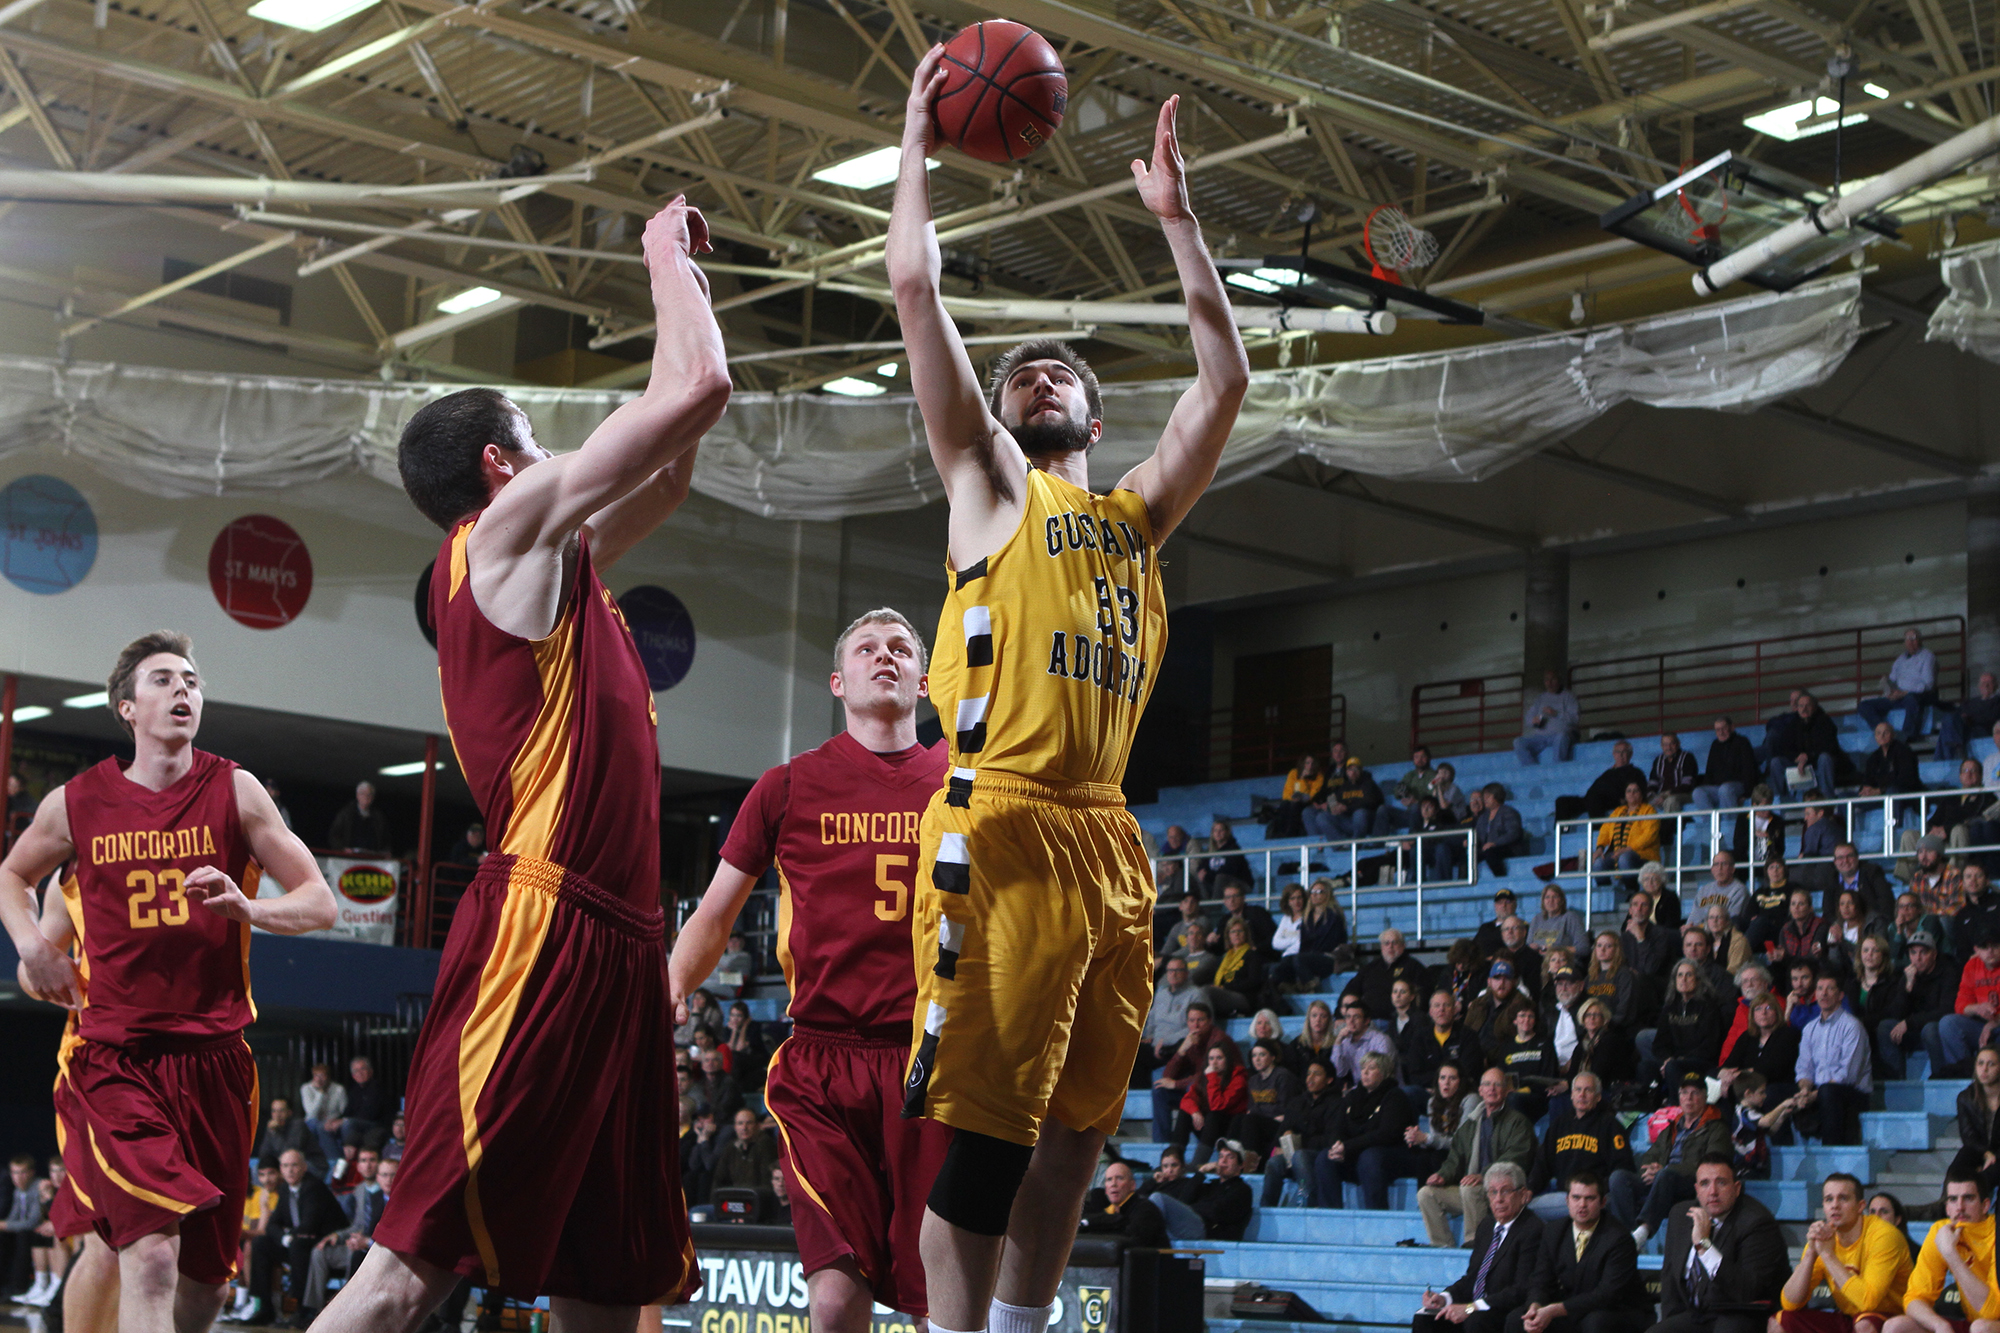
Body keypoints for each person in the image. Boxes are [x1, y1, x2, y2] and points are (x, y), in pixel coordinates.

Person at [311, 196, 728, 1331]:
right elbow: (696, 394)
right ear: (502, 464)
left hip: (620, 943)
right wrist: (655, 254)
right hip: (544, 921)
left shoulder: (550, 558)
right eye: (541, 440)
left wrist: (690, 287)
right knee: (408, 1268)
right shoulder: (502, 535)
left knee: (611, 1280)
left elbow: (674, 465)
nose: (561, 458)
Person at [0, 631, 338, 1333]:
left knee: (202, 1285)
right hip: (115, 1058)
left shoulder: (234, 789)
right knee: (145, 1252)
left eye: (192, 679)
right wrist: (33, 948)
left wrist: (252, 906)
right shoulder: (77, 804)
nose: (184, 688)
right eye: (163, 679)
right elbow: (11, 874)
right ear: (126, 706)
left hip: (215, 1062)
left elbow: (321, 899)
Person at [668, 608, 952, 1329]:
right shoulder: (788, 785)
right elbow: (713, 915)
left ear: (924, 679)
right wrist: (669, 986)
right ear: (838, 679)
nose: (884, 656)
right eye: (866, 648)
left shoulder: (963, 778)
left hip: (937, 1059)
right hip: (824, 1061)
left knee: (938, 1304)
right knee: (832, 1300)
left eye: (900, 648)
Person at [1650, 1155, 1787, 1333]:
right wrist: (1669, 1324)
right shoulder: (1680, 1215)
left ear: (1737, 1188)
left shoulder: (1757, 1223)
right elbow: (1670, 1281)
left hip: (1742, 1315)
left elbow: (1747, 1291)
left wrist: (1704, 1246)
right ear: (1696, 1189)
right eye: (1705, 1184)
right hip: (1698, 1316)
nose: (1712, 1191)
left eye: (1721, 1183)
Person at [1515, 1171, 1655, 1333]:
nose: (1582, 1205)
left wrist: (1555, 1310)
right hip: (1574, 1307)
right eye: (1576, 1198)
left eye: (1589, 1198)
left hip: (1620, 1311)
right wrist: (1535, 1306)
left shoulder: (1619, 1238)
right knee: (1518, 1318)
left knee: (1595, 1322)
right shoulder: (1553, 1231)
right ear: (1567, 1201)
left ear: (1603, 1202)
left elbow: (1607, 1295)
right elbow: (1540, 1279)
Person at [1413, 1164, 1544, 1333]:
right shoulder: (1487, 1225)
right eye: (1493, 1192)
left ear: (1522, 1194)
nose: (1499, 1199)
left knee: (1476, 1321)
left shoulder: (1532, 1229)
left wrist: (1470, 1308)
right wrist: (1445, 1298)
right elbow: (1473, 1277)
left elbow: (1520, 1290)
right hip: (1474, 1307)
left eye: (1505, 1191)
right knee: (1425, 1317)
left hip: (1504, 1310)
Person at [1775, 1172, 1911, 1333]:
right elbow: (1790, 1302)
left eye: (1843, 1198)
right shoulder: (1823, 1237)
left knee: (1864, 1324)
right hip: (1850, 1317)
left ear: (1860, 1206)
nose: (1835, 1205)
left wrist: (1827, 1255)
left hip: (1892, 1318)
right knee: (1780, 1320)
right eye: (1829, 1199)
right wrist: (1811, 1253)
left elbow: (1868, 1301)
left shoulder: (1884, 1235)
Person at [1419, 1068, 1535, 1247]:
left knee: (1469, 1188)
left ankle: (1475, 1243)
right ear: (1480, 1091)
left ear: (1506, 1091)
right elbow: (1455, 1159)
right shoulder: (1470, 1124)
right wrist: (1443, 1174)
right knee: (1426, 1194)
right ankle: (1442, 1247)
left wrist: (1485, 1175)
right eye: (1487, 1084)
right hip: (1473, 1192)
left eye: (1497, 1085)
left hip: (1501, 1192)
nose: (1492, 1089)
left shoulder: (1518, 1122)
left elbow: (1516, 1157)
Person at [1885, 1168, 1999, 1333]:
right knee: (1895, 1326)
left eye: (1968, 1198)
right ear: (1946, 1208)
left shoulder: (1995, 1232)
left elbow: (1991, 1311)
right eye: (1953, 1199)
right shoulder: (1941, 1231)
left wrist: (1950, 1254)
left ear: (1985, 1206)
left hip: (1992, 1322)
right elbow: (1914, 1299)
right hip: (1971, 1322)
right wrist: (1940, 1326)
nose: (1960, 1207)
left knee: (1981, 1328)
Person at [1621, 1075, 1730, 1246]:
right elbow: (1650, 1155)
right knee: (1619, 1179)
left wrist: (1664, 1169)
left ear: (1705, 1096)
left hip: (1690, 1185)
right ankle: (1628, 1238)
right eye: (1684, 1092)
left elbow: (1713, 1165)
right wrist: (1648, 1170)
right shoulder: (1672, 1127)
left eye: (1695, 1093)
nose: (1689, 1098)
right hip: (1662, 1180)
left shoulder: (1716, 1128)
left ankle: (1644, 1229)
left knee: (1667, 1174)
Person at [248, 1148, 347, 1325]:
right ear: (281, 1169)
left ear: (304, 1167)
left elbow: (309, 1225)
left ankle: (303, 1310)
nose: (290, 1170)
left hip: (326, 1242)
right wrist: (285, 1237)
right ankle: (265, 1308)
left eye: (294, 1165)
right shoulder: (285, 1188)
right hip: (298, 1242)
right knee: (261, 1243)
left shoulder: (313, 1186)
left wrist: (289, 1236)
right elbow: (273, 1225)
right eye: (285, 1166)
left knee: (298, 1245)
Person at [1525, 1073, 1636, 1225]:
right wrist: (1530, 1189)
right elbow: (1542, 1164)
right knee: (1523, 1208)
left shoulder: (1610, 1125)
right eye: (1578, 1090)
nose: (1582, 1095)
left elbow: (1622, 1167)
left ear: (1598, 1097)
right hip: (1566, 1196)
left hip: (1596, 1196)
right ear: (1571, 1095)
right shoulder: (1559, 1125)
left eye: (1588, 1090)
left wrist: (1596, 1192)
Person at [1320, 1050, 1418, 1210]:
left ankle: (1376, 1215)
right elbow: (1336, 1127)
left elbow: (1386, 1134)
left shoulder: (1395, 1096)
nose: (1364, 1072)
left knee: (1370, 1157)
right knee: (1325, 1157)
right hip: (1357, 1153)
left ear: (1385, 1072)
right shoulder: (1352, 1097)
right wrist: (1336, 1146)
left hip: (1392, 1155)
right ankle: (1331, 1216)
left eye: (1371, 1068)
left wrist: (1348, 1146)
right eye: (1363, 1067)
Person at [1794, 973, 1870, 1146]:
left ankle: (1830, 1152)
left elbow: (1847, 1075)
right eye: (1820, 989)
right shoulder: (1809, 1029)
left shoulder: (1852, 1026)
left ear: (1840, 995)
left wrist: (1816, 1095)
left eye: (1830, 989)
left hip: (1852, 1094)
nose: (1824, 994)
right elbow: (1804, 1068)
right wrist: (1805, 1090)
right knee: (1778, 1093)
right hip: (1821, 1091)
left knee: (1828, 1092)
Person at [1877, 930, 1960, 1078]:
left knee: (1930, 1029)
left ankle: (1939, 1078)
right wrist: (1908, 987)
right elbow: (1897, 1014)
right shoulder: (1908, 976)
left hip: (1936, 1031)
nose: (1918, 958)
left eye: (1923, 953)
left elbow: (1946, 1010)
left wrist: (1909, 1022)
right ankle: (1896, 1081)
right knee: (1885, 1026)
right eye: (1913, 953)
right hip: (1914, 1031)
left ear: (1934, 954)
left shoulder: (1948, 972)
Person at [1261, 1059, 1341, 1207]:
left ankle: (1307, 1204)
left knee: (1300, 1156)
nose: (1310, 1078)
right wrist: (1282, 1141)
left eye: (1316, 1074)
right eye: (1308, 1074)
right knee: (1273, 1162)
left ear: (1329, 1080)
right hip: (1292, 1153)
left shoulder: (1336, 1103)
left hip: (1319, 1155)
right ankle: (1266, 1209)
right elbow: (1280, 1134)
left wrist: (1299, 1142)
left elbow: (1331, 1139)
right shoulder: (1296, 1102)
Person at [1653, 961, 1726, 1096]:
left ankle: (1677, 1106)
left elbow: (1710, 1046)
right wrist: (1667, 1058)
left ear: (1698, 980)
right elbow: (1659, 1043)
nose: (1683, 979)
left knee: (1672, 1067)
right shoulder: (1670, 1007)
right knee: (1645, 1067)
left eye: (1689, 975)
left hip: (1702, 1060)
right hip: (1675, 1060)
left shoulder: (1708, 1006)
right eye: (1679, 975)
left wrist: (1680, 1060)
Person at [1857, 628, 1939, 745]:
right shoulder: (1900, 660)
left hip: (1919, 695)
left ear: (1920, 640)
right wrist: (1890, 690)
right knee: (1864, 706)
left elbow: (1928, 684)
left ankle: (1908, 735)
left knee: (1912, 699)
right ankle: (1884, 731)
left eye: (1914, 638)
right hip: (1899, 696)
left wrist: (1905, 692)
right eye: (1908, 639)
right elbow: (1892, 679)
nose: (1911, 642)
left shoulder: (1927, 656)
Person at [1690, 718, 1763, 850]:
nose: (1721, 732)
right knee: (1698, 792)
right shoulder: (1715, 745)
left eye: (1724, 728)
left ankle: (1730, 832)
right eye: (1718, 730)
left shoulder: (1742, 742)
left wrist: (1746, 793)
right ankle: (1711, 830)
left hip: (1738, 786)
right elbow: (1709, 772)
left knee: (1725, 789)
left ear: (1732, 727)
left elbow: (1749, 770)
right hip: (1719, 788)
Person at [1936, 928, 2000, 1078]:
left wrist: (1995, 1022)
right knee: (1948, 1023)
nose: (1990, 951)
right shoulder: (1972, 966)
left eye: (1995, 946)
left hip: (1997, 1026)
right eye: (1985, 947)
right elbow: (1960, 1005)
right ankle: (1964, 1075)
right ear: (1976, 949)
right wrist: (1977, 1008)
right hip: (1979, 1024)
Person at [1766, 692, 1843, 800]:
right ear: (1797, 708)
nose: (1804, 709)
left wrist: (1807, 757)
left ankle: (1827, 798)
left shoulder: (1825, 722)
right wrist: (1796, 757)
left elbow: (1830, 747)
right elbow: (1784, 748)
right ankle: (1777, 800)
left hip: (1817, 760)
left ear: (1814, 707)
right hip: (1798, 761)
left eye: (1808, 705)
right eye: (1801, 706)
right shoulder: (1792, 724)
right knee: (1776, 762)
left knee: (1825, 758)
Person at [1347, 928, 1433, 1021]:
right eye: (1386, 943)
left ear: (1403, 946)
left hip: (1401, 1022)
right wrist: (1339, 1015)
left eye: (1395, 943)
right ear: (1381, 947)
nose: (1390, 946)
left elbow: (1425, 994)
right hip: (1368, 1022)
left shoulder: (1414, 967)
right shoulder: (1370, 968)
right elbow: (1350, 990)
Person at [1076, 1162, 1167, 1246]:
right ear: (1106, 1189)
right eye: (1109, 1179)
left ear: (1133, 1185)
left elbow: (1133, 1242)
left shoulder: (1145, 1209)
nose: (1113, 1184)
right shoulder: (1103, 1210)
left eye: (1120, 1178)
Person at [1954, 1047, 2000, 1197]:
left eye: (1991, 1064)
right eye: (1980, 1063)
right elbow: (1968, 1137)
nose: (1984, 1069)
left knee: (1986, 1176)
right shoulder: (1965, 1097)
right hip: (1979, 1150)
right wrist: (1986, 1154)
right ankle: (1945, 1207)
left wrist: (1994, 1157)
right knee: (1957, 1170)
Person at [1186, 1142, 1256, 1240]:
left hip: (1210, 1235)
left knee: (1160, 1199)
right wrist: (1201, 1172)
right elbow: (1183, 1200)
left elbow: (1216, 1211)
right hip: (1192, 1228)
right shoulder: (1210, 1185)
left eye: (1230, 1157)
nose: (1223, 1161)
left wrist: (1190, 1208)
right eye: (1220, 1156)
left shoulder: (1242, 1190)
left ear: (1241, 1165)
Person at [1816, 846, 1897, 931]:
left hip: (1871, 927)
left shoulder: (1872, 873)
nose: (1845, 861)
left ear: (1857, 858)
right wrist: (1837, 926)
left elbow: (1886, 903)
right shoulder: (1831, 879)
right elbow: (1828, 912)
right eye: (1840, 858)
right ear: (1835, 862)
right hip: (1843, 928)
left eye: (1849, 856)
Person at [1594, 784, 1662, 885]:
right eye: (1629, 791)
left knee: (1625, 858)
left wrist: (1628, 849)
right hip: (1618, 853)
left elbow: (1649, 836)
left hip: (1642, 855)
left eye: (1636, 791)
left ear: (1641, 794)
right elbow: (1605, 830)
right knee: (1598, 863)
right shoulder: (1618, 812)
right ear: (1625, 795)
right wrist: (1600, 847)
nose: (1632, 793)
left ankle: (1630, 890)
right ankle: (1606, 894)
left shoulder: (1649, 810)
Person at [1517, 670, 1581, 765]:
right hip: (1541, 736)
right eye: (1547, 680)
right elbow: (1528, 718)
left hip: (1560, 735)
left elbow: (1575, 719)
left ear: (1559, 680)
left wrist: (1556, 713)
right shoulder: (1540, 698)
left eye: (1553, 679)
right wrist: (1533, 720)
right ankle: (1532, 770)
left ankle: (1557, 768)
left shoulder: (1569, 697)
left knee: (1561, 737)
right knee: (1518, 742)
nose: (1550, 683)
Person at [1939, 673, 2000, 761]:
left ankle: (1952, 753)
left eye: (1989, 683)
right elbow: (1958, 714)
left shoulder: (1998, 702)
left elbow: (1992, 717)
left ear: (1996, 685)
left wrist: (1970, 719)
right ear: (1979, 687)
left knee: (1950, 731)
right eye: (1983, 683)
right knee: (1949, 718)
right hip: (1966, 729)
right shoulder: (1970, 702)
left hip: (1983, 730)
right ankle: (1954, 749)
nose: (1986, 686)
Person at [327, 780, 391, 855]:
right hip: (349, 857)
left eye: (369, 794)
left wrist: (385, 851)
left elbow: (385, 838)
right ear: (357, 795)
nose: (366, 797)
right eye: (363, 794)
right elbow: (334, 834)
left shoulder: (378, 817)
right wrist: (342, 849)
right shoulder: (346, 814)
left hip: (372, 857)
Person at [1480, 786, 1529, 877]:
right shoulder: (1483, 817)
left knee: (1490, 853)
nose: (1485, 799)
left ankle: (1501, 877)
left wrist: (1494, 843)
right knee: (1467, 855)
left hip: (1508, 848)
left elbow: (1513, 834)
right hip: (1487, 848)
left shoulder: (1509, 812)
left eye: (1488, 796)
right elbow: (1479, 834)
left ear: (1497, 796)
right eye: (1484, 796)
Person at [1195, 820, 1254, 896]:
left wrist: (1208, 875)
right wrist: (1202, 873)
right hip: (1217, 883)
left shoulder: (1234, 849)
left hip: (1240, 884)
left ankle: (1214, 907)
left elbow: (1228, 870)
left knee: (1220, 877)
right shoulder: (1209, 851)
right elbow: (1201, 867)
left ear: (1227, 832)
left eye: (1221, 830)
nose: (1218, 833)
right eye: (1215, 830)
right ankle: (1207, 906)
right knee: (1200, 877)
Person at [1651, 734, 1700, 813]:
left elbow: (1687, 785)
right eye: (1665, 745)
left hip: (1684, 794)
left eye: (1672, 744)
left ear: (1678, 744)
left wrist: (1667, 794)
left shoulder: (1687, 757)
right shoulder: (1658, 760)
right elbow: (1653, 782)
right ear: (1661, 746)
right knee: (1643, 803)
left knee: (1671, 801)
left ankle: (1669, 825)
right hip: (1662, 794)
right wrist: (1650, 795)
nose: (1668, 747)